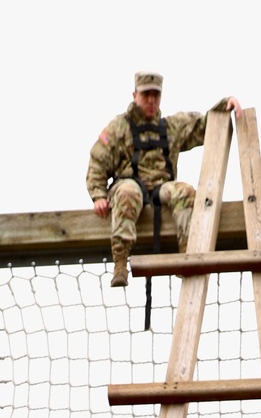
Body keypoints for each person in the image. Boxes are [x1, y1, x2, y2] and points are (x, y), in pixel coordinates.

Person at [86, 72, 242, 288]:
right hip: (129, 185)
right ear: (135, 95)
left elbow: (202, 126)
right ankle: (121, 262)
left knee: (185, 191)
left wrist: (225, 104)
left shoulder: (171, 127)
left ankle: (187, 255)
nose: (151, 101)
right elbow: (97, 162)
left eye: (155, 95)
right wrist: (99, 195)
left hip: (161, 188)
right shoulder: (118, 128)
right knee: (127, 193)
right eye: (146, 95)